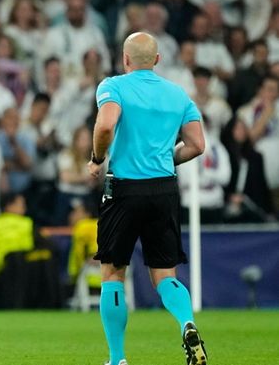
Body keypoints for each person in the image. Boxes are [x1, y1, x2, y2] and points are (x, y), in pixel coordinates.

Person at [87, 32, 208, 365]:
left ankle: (117, 359)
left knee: (113, 274)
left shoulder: (114, 86)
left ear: (125, 59)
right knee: (165, 275)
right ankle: (187, 323)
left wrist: (97, 159)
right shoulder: (178, 94)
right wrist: (168, 159)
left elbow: (106, 125)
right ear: (157, 60)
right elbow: (197, 144)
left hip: (124, 189)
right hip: (164, 190)